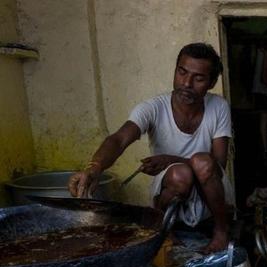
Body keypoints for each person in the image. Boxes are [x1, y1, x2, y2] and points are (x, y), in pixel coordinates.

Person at [68, 43, 233, 253]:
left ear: (212, 83)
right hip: (172, 186)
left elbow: (219, 163)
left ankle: (221, 231)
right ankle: (164, 229)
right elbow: (119, 139)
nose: (186, 83)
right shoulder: (153, 108)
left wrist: (170, 159)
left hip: (210, 188)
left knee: (202, 163)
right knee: (180, 174)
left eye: (198, 78)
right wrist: (94, 168)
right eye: (182, 72)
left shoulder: (218, 106)